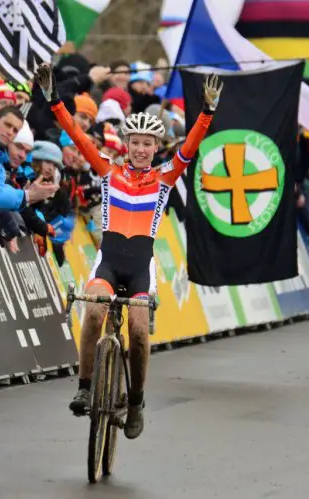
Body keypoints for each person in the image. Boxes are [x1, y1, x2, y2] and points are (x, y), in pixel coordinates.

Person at [35, 62, 224, 439]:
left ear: (156, 148)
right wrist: (54, 100)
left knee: (138, 330)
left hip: (140, 267)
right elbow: (77, 135)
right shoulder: (108, 171)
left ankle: (136, 400)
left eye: (147, 144)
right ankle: (85, 387)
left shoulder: (165, 176)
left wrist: (207, 113)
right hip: (108, 263)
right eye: (135, 142)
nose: (140, 149)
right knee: (93, 312)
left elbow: (189, 148)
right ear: (127, 144)